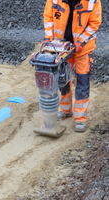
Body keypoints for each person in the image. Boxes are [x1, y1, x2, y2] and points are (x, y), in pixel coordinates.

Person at [43, 0, 102, 132]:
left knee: (82, 79)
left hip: (83, 48)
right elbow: (48, 16)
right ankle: (65, 109)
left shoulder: (92, 2)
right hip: (61, 47)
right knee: (62, 79)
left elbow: (94, 23)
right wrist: (48, 39)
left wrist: (80, 42)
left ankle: (80, 118)